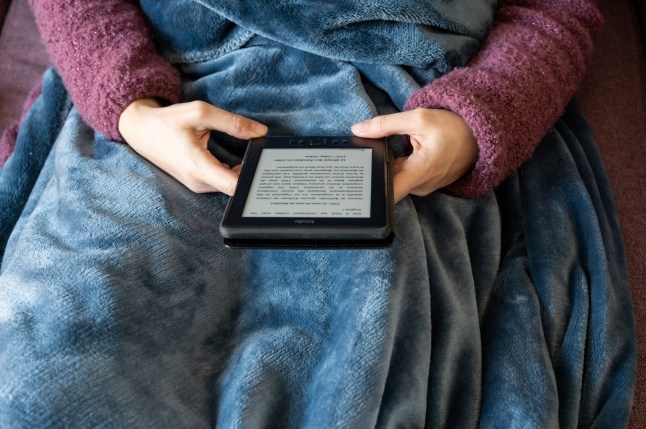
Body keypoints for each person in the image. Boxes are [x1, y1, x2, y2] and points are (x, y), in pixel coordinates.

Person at [0, 0, 635, 427]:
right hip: (176, 99)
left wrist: (477, 121)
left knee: (361, 371)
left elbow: (558, 10)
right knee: (49, 367)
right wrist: (131, 109)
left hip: (407, 107)